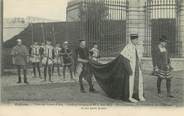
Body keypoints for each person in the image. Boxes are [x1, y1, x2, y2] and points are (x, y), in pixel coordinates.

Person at [120, 34, 146, 103]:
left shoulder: (137, 47)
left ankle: (139, 96)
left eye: (137, 39)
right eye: (136, 39)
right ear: (132, 40)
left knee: (139, 81)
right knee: (131, 83)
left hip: (137, 68)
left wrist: (141, 67)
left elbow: (139, 59)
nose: (137, 41)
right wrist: (129, 70)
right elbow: (124, 60)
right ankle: (130, 97)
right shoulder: (128, 47)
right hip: (131, 68)